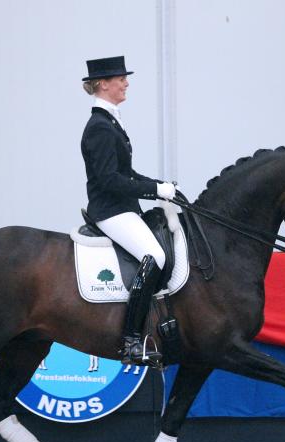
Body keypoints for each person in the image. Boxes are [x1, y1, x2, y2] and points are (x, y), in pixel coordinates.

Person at [80, 55, 176, 365]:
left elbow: (129, 174)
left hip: (124, 207)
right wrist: (153, 191)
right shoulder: (99, 127)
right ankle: (132, 340)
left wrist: (162, 186)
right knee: (155, 257)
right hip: (110, 209)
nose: (126, 82)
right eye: (120, 78)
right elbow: (109, 180)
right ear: (103, 84)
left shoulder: (111, 121)